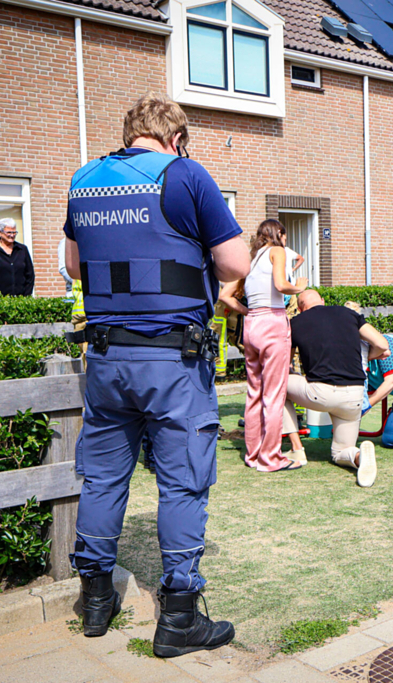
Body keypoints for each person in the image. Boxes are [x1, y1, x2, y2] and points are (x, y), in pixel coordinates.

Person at [63, 93, 250, 656]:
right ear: (176, 138)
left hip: (106, 359)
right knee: (183, 482)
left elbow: (73, 266)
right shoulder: (186, 175)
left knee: (102, 477)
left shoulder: (84, 178)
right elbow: (237, 263)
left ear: (129, 133)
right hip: (172, 361)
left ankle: (95, 602)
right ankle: (178, 619)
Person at [281, 291, 389, 485]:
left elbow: (285, 366)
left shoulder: (295, 322)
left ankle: (297, 449)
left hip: (319, 392)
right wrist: (368, 357)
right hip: (355, 394)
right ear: (322, 301)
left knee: (276, 384)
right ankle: (357, 456)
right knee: (340, 452)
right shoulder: (349, 314)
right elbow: (382, 344)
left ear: (300, 308)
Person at [238, 220, 308, 473]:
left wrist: (248, 310)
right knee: (274, 394)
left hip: (252, 324)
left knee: (254, 392)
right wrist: (300, 286)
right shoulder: (277, 251)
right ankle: (270, 458)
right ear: (278, 234)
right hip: (272, 322)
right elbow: (280, 285)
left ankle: (253, 455)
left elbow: (225, 296)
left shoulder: (251, 259)